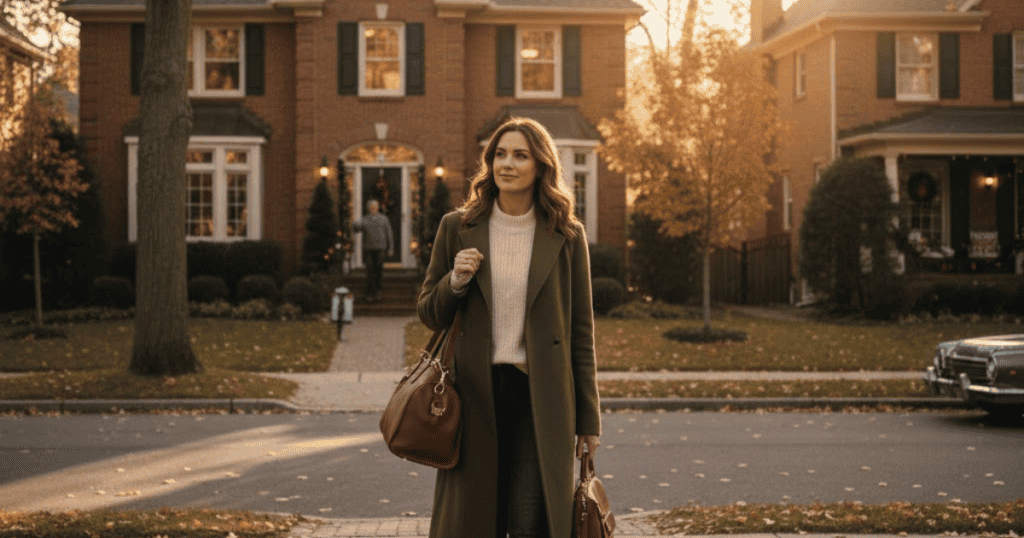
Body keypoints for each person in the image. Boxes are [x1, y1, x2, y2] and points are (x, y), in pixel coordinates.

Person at [417, 117, 601, 538]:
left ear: (541, 166)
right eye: (500, 154)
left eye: (520, 155)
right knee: (474, 523)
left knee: (528, 521)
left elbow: (581, 334)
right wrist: (455, 281)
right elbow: (429, 313)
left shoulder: (567, 235)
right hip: (473, 395)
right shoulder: (457, 227)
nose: (507, 164)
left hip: (539, 399)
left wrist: (589, 420)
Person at [352, 199, 394, 302]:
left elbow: (389, 234)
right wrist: (353, 223)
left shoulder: (384, 219)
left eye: (375, 207)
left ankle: (378, 292)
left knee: (378, 270)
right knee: (370, 271)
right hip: (368, 249)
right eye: (371, 207)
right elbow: (357, 229)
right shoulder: (365, 219)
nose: (373, 208)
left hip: (380, 249)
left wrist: (391, 248)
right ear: (368, 208)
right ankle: (370, 293)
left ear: (378, 208)